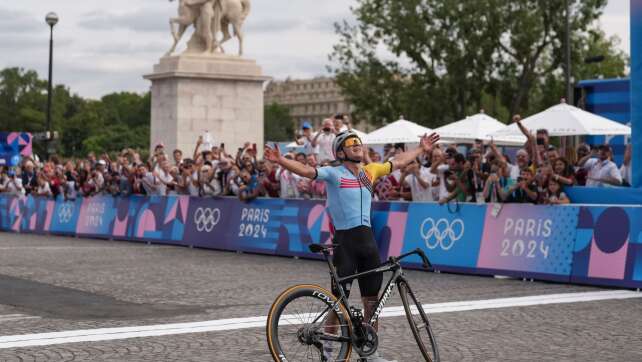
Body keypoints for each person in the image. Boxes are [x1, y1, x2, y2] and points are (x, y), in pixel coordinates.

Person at [265, 130, 440, 362]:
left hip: (368, 244)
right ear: (340, 152)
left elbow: (397, 162)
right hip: (345, 243)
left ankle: (371, 354)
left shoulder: (370, 171)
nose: (358, 146)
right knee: (338, 305)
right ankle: (328, 353)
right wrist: (281, 160)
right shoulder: (333, 174)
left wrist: (421, 149)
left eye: (359, 142)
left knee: (372, 303)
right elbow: (308, 171)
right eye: (351, 144)